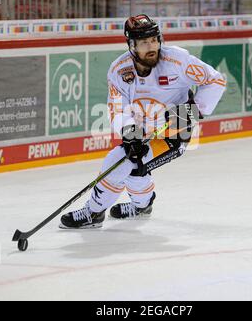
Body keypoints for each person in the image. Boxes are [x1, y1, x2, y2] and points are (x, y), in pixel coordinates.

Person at [59, 14, 226, 229]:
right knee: (135, 167)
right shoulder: (119, 71)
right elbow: (116, 108)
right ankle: (142, 205)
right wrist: (129, 133)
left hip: (174, 132)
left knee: (119, 160)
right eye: (144, 42)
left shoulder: (177, 61)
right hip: (143, 130)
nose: (152, 46)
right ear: (131, 45)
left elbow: (215, 80)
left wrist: (190, 112)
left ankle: (94, 211)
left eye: (155, 40)